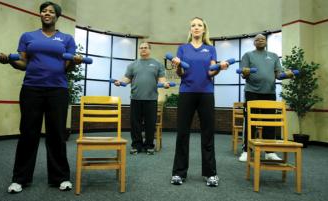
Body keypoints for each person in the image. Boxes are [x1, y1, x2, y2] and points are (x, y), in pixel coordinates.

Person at [0, 1, 82, 193]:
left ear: (57, 16)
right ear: (41, 15)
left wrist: (75, 62)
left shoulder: (66, 39)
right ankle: (20, 179)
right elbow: (23, 63)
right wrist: (9, 61)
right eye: (44, 11)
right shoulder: (28, 37)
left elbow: (66, 68)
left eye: (51, 11)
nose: (47, 13)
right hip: (31, 89)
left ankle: (61, 177)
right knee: (28, 134)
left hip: (57, 90)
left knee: (57, 135)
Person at [170, 17, 230, 187]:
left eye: (199, 25)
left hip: (206, 93)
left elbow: (211, 73)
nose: (196, 28)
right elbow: (181, 73)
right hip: (186, 92)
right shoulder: (182, 49)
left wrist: (219, 67)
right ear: (190, 30)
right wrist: (178, 65)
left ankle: (210, 174)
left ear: (204, 29)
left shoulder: (211, 49)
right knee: (182, 133)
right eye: (193, 26)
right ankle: (178, 173)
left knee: (208, 133)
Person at [238, 34, 293, 162]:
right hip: (252, 92)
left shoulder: (273, 56)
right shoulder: (248, 55)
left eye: (262, 39)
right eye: (257, 39)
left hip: (269, 92)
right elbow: (243, 73)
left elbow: (278, 75)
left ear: (266, 42)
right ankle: (247, 150)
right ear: (254, 43)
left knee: (270, 123)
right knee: (251, 122)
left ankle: (269, 151)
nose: (260, 40)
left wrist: (287, 75)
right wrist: (245, 73)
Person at [114, 41, 169, 155]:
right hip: (135, 98)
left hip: (151, 99)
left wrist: (165, 84)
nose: (143, 49)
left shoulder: (157, 64)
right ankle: (136, 145)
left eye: (145, 48)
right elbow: (126, 79)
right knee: (135, 124)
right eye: (141, 48)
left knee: (150, 124)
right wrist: (120, 82)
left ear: (149, 49)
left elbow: (162, 80)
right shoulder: (132, 65)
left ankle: (149, 146)